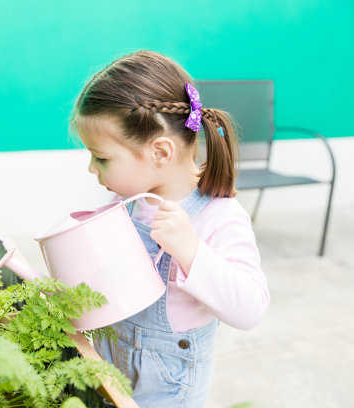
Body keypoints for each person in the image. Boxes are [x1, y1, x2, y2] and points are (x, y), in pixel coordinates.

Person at [70, 51, 270, 407]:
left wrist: (191, 252)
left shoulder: (218, 216)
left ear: (160, 152)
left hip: (168, 391)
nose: (91, 168)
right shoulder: (127, 205)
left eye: (101, 157)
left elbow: (250, 308)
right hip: (112, 368)